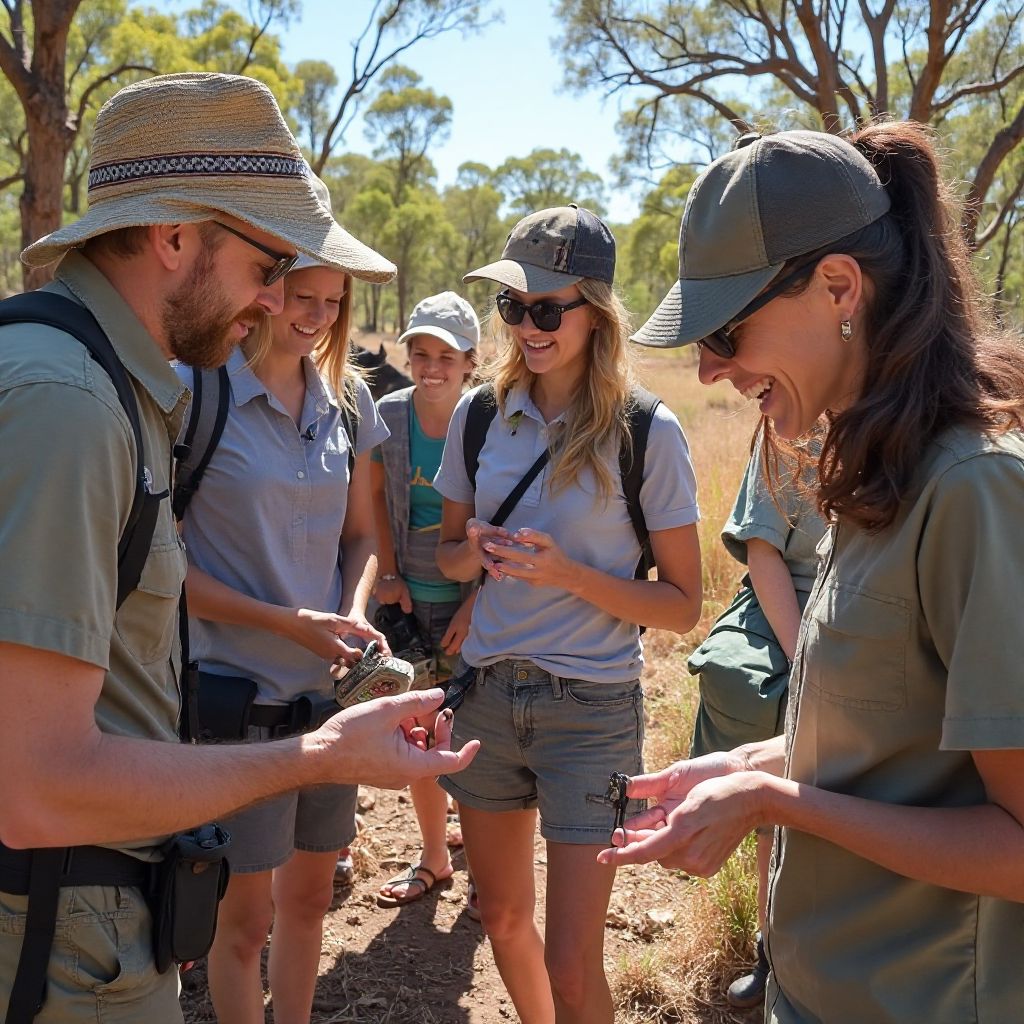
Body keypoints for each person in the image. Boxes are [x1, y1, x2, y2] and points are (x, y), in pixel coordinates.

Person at [0, 72, 477, 1024]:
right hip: (59, 942)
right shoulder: (72, 403)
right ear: (175, 236)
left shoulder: (102, 382)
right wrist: (317, 753)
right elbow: (39, 784)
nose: (275, 300)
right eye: (267, 266)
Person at [604, 122, 1024, 1023]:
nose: (712, 369)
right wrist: (751, 766)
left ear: (838, 286)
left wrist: (776, 800)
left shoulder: (975, 489)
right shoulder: (874, 472)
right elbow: (895, 747)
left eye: (726, 328)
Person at [433, 205, 704, 1024]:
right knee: (505, 918)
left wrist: (570, 575)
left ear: (598, 311)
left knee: (572, 959)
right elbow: (444, 557)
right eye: (514, 308)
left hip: (591, 709)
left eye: (548, 309)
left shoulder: (646, 432)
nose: (528, 326)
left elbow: (684, 605)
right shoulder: (479, 414)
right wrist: (474, 551)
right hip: (484, 697)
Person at [175, 174, 392, 1023]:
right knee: (245, 921)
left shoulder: (350, 402)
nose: (318, 315)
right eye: (303, 294)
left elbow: (365, 538)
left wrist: (360, 612)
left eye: (333, 301)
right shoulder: (201, 393)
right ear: (266, 291)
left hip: (329, 702)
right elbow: (168, 570)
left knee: (310, 904)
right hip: (237, 704)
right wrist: (284, 623)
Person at [686, 433, 825, 1008]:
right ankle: (774, 953)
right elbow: (762, 550)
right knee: (784, 783)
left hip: (878, 623)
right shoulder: (791, 430)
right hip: (790, 619)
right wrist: (805, 661)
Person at [371, 292, 480, 909]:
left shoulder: (486, 419)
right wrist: (387, 574)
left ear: (470, 361)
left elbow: (498, 517)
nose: (431, 367)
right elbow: (373, 503)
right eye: (420, 354)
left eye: (446, 355)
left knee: (473, 728)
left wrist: (475, 603)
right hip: (407, 605)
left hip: (469, 608)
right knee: (420, 732)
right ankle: (435, 857)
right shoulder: (388, 415)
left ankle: (483, 853)